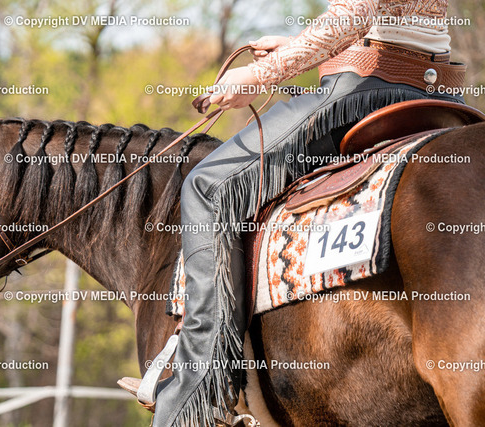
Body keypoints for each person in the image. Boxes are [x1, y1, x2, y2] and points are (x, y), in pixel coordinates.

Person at [151, 1, 466, 426]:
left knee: (207, 187)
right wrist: (297, 46)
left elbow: (355, 13)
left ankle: (196, 391)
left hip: (365, 90)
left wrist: (260, 75)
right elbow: (395, 26)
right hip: (439, 93)